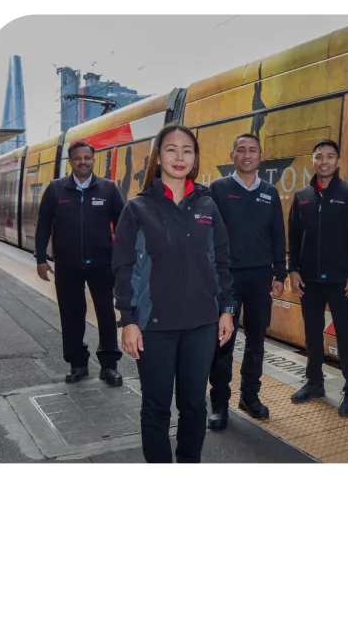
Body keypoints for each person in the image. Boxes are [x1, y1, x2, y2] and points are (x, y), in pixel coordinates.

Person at [112, 123, 235, 469]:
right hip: (154, 325)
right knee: (156, 404)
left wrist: (226, 310)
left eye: (187, 151)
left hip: (202, 324)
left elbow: (221, 261)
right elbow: (124, 268)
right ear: (158, 156)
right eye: (171, 149)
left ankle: (190, 461)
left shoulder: (207, 206)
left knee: (195, 403)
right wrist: (128, 320)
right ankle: (158, 465)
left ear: (195, 158)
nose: (179, 157)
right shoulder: (137, 208)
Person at [206, 133, 287, 429]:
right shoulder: (218, 189)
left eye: (253, 150)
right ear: (232, 156)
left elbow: (278, 232)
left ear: (261, 157)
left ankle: (250, 397)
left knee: (256, 340)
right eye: (241, 150)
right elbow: (209, 233)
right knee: (223, 340)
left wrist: (280, 271)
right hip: (227, 277)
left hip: (260, 277)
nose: (247, 155)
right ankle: (219, 403)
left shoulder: (269, 192)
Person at [34, 140, 124, 386]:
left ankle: (109, 365)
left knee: (106, 314)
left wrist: (125, 259)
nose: (83, 162)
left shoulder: (108, 189)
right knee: (71, 315)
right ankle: (78, 364)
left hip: (102, 264)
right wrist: (41, 259)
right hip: (67, 265)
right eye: (78, 158)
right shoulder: (55, 190)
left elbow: (124, 227)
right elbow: (43, 226)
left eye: (87, 158)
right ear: (70, 162)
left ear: (93, 160)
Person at [287, 140, 348, 416]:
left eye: (330, 157)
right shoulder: (302, 196)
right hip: (309, 280)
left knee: (345, 336)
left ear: (338, 162)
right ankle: (314, 383)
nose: (324, 162)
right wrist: (293, 269)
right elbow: (294, 237)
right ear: (313, 161)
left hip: (342, 280)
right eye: (319, 157)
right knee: (311, 334)